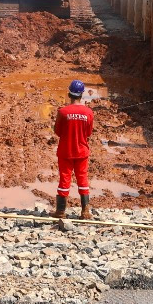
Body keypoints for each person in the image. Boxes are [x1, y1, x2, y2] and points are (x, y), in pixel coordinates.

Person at [53, 79, 95, 222]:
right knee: (82, 178)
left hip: (65, 151)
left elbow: (57, 131)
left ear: (69, 94)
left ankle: (60, 211)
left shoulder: (63, 112)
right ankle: (85, 211)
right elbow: (88, 133)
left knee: (65, 179)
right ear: (81, 95)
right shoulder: (88, 112)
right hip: (82, 152)